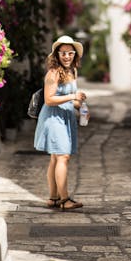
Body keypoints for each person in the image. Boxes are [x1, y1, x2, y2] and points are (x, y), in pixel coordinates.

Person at [34, 35, 88, 210]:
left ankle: (54, 198)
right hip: (52, 118)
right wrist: (73, 96)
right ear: (56, 54)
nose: (67, 56)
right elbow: (49, 99)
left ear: (74, 55)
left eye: (70, 53)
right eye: (63, 53)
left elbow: (70, 99)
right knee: (63, 156)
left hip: (65, 117)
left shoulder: (72, 71)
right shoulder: (53, 73)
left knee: (55, 158)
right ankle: (65, 200)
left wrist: (80, 106)